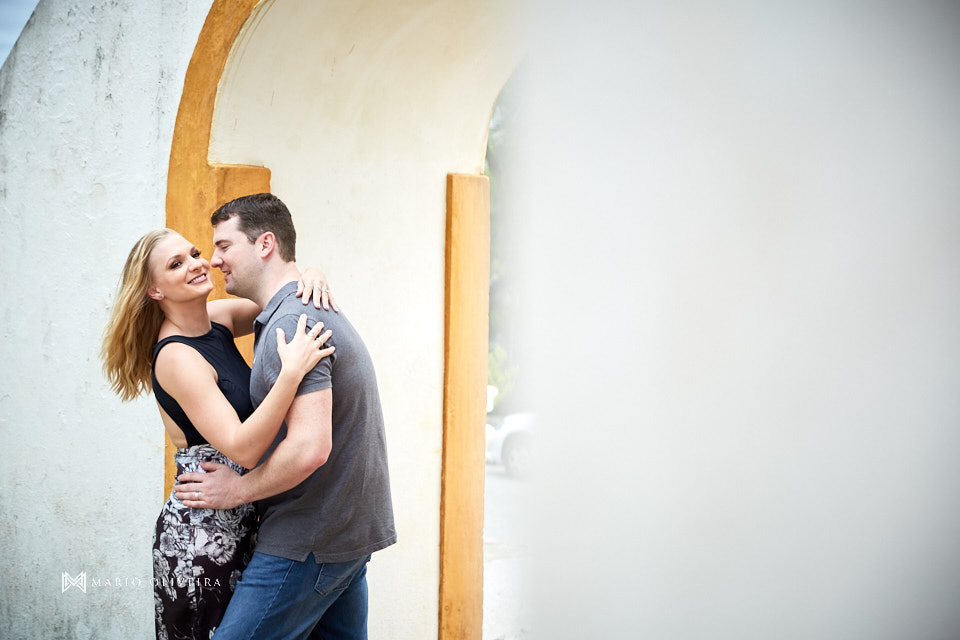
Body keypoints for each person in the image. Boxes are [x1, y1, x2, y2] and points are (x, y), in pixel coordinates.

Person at [174, 193, 396, 640]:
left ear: (265, 244)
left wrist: (237, 490)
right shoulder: (298, 308)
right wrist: (311, 271)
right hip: (341, 533)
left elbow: (310, 447)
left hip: (308, 536)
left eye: (224, 245)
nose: (214, 260)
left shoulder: (290, 322)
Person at [101, 228, 340, 639]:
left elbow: (280, 297)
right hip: (200, 537)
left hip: (241, 521)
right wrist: (291, 374)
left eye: (194, 253)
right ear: (155, 290)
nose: (197, 264)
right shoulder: (176, 357)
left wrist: (312, 274)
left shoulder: (218, 319)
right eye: (176, 264)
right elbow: (243, 449)